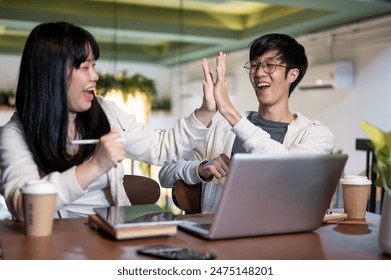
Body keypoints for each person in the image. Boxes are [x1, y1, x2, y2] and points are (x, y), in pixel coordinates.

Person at [0, 21, 219, 220]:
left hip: (111, 235)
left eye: (94, 65)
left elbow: (161, 148)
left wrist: (206, 111)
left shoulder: (105, 111)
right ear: (52, 75)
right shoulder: (14, 134)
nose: (95, 75)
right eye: (85, 67)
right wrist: (96, 165)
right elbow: (23, 205)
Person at [159, 33, 335, 213]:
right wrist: (202, 168)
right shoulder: (222, 128)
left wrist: (229, 111)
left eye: (269, 65)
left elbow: (288, 170)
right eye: (254, 65)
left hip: (281, 235)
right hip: (220, 234)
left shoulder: (316, 134)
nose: (259, 73)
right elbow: (165, 174)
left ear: (292, 74)